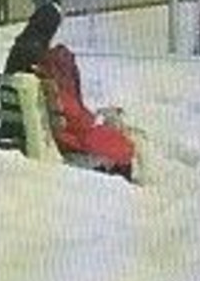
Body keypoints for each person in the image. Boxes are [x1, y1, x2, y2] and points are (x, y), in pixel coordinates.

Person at [34, 43, 137, 181]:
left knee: (119, 137)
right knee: (122, 142)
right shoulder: (58, 94)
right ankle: (124, 182)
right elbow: (78, 120)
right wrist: (94, 119)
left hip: (69, 136)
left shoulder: (52, 90)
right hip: (72, 140)